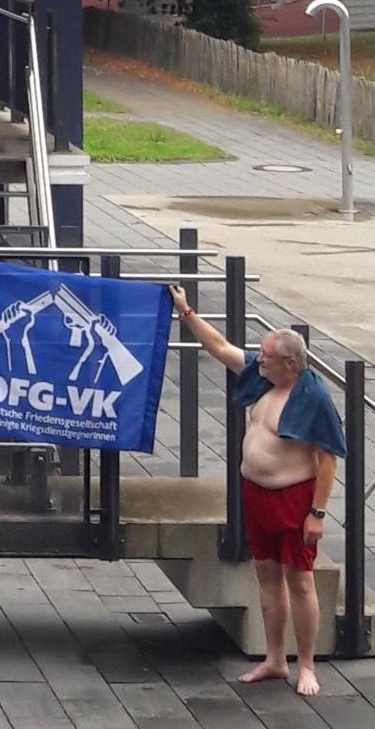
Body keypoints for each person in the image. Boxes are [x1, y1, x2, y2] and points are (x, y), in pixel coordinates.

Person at [169, 286, 345, 697]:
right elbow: (220, 348)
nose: (257, 357)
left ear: (288, 362)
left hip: (292, 499)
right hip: (256, 494)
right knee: (265, 576)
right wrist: (187, 311)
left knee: (300, 581)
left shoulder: (313, 397)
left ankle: (306, 665)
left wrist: (317, 514)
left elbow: (328, 458)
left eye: (265, 354)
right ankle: (274, 658)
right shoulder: (262, 379)